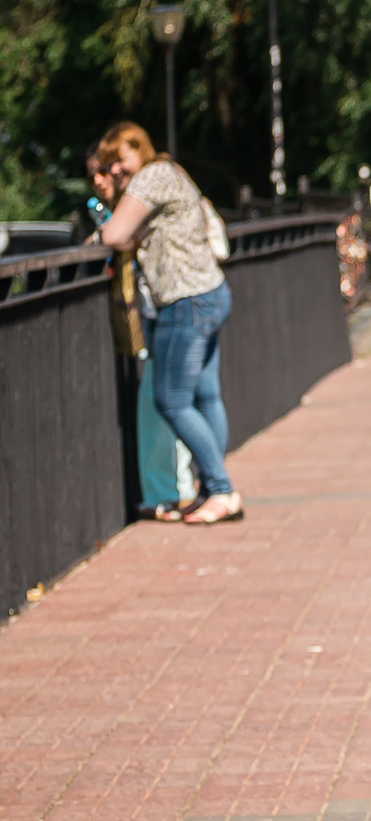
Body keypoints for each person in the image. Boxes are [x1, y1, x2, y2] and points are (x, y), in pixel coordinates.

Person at [93, 122, 240, 525]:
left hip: (185, 301)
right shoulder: (170, 172)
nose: (116, 171)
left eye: (119, 160)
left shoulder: (153, 177)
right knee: (205, 397)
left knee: (172, 400)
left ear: (141, 149)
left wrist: (105, 221)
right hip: (209, 292)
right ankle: (214, 490)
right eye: (108, 165)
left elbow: (116, 234)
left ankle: (221, 489)